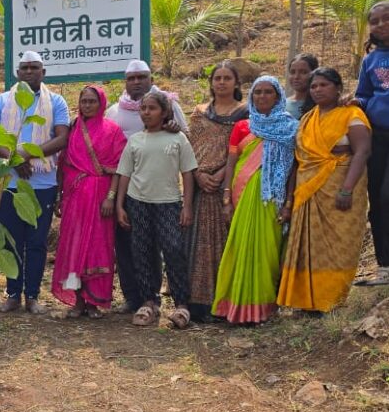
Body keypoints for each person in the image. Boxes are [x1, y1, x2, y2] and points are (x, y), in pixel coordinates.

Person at [278, 68, 372, 313]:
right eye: (314, 86)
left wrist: (347, 189)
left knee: (339, 245)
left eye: (324, 85)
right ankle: (308, 301)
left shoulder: (352, 114)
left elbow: (362, 151)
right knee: (310, 246)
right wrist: (289, 200)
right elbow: (299, 159)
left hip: (341, 187)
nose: (317, 90)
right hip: (308, 189)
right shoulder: (308, 119)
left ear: (338, 88)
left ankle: (331, 299)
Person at [0, 51, 70, 314]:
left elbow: (62, 139)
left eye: (35, 68)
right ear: (18, 73)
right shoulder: (2, 101)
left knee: (36, 242)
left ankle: (32, 296)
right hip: (9, 185)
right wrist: (13, 159)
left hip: (43, 185)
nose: (30, 72)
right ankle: (13, 294)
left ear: (43, 73)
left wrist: (27, 154)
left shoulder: (56, 102)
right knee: (12, 240)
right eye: (25, 68)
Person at [213, 76, 298, 324]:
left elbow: (294, 168)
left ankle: (263, 309)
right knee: (240, 249)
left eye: (267, 92)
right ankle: (236, 309)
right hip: (243, 194)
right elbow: (231, 165)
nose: (262, 96)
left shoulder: (290, 127)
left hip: (273, 197)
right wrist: (226, 198)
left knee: (268, 251)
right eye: (257, 92)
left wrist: (289, 203)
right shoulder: (242, 127)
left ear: (278, 96)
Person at [106, 59, 187, 314]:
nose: (137, 82)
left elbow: (184, 138)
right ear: (125, 81)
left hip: (164, 192)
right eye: (131, 78)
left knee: (167, 246)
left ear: (151, 79)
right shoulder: (113, 111)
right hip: (128, 188)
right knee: (131, 247)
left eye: (142, 77)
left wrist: (172, 125)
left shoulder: (169, 106)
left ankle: (173, 298)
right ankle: (136, 297)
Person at [116, 91, 196, 328]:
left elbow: (188, 173)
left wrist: (187, 205)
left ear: (164, 112)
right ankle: (149, 302)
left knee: (173, 249)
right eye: (143, 109)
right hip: (137, 202)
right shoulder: (135, 141)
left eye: (152, 108)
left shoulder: (178, 139)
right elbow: (124, 175)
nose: (146, 113)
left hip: (169, 203)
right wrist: (120, 205)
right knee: (141, 251)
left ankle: (182, 304)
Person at [52, 85, 126, 318]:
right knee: (73, 247)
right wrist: (59, 197)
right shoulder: (73, 129)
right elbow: (63, 164)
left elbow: (118, 169)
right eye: (83, 101)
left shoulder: (112, 131)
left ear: (101, 103)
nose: (87, 105)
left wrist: (111, 198)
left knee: (97, 247)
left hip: (100, 199)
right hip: (75, 198)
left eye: (92, 101)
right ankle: (78, 302)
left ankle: (93, 301)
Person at [186, 61, 249, 322]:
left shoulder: (245, 114)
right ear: (211, 83)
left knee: (225, 242)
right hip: (199, 186)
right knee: (198, 244)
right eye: (217, 78)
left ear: (236, 84)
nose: (221, 82)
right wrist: (199, 174)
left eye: (227, 78)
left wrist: (221, 175)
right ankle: (197, 304)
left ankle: (224, 304)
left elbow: (244, 149)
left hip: (228, 185)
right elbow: (189, 148)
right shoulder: (200, 113)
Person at [355, 0, 389, 286]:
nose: (379, 25)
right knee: (376, 199)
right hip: (377, 136)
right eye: (374, 21)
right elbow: (364, 96)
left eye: (385, 19)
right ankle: (384, 266)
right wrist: (356, 102)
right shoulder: (371, 60)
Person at [286, 53, 319, 119]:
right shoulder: (281, 104)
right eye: (292, 72)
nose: (296, 77)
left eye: (303, 72)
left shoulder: (322, 104)